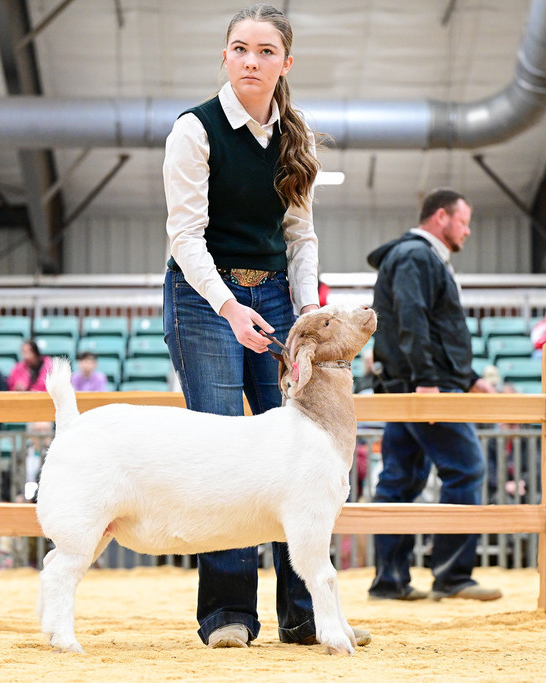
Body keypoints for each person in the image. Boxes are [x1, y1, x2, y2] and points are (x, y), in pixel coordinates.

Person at [161, 4, 368, 650]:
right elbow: (184, 236)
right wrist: (228, 305)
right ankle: (227, 612)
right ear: (224, 56)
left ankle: (307, 614)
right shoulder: (192, 132)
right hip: (203, 298)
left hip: (277, 296)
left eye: (266, 51)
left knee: (297, 450)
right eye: (240, 49)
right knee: (224, 446)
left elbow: (300, 237)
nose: (252, 61)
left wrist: (307, 317)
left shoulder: (294, 136)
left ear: (286, 62)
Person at [366, 188, 502, 602]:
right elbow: (412, 319)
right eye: (463, 221)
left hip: (411, 382)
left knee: (400, 479)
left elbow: (431, 327)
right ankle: (452, 574)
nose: (468, 230)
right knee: (466, 467)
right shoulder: (417, 256)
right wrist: (427, 381)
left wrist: (470, 377)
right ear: (441, 217)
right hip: (422, 386)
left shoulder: (414, 257)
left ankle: (390, 580)